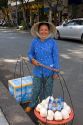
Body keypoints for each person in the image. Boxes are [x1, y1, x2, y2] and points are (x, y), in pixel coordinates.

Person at [25, 21, 60, 112]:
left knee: (48, 91)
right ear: (38, 30)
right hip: (37, 71)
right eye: (41, 30)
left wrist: (56, 71)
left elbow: (55, 57)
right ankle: (32, 104)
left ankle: (45, 107)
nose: (43, 32)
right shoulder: (34, 42)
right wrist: (32, 60)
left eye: (46, 30)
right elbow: (30, 53)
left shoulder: (52, 42)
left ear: (49, 31)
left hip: (49, 71)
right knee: (36, 89)